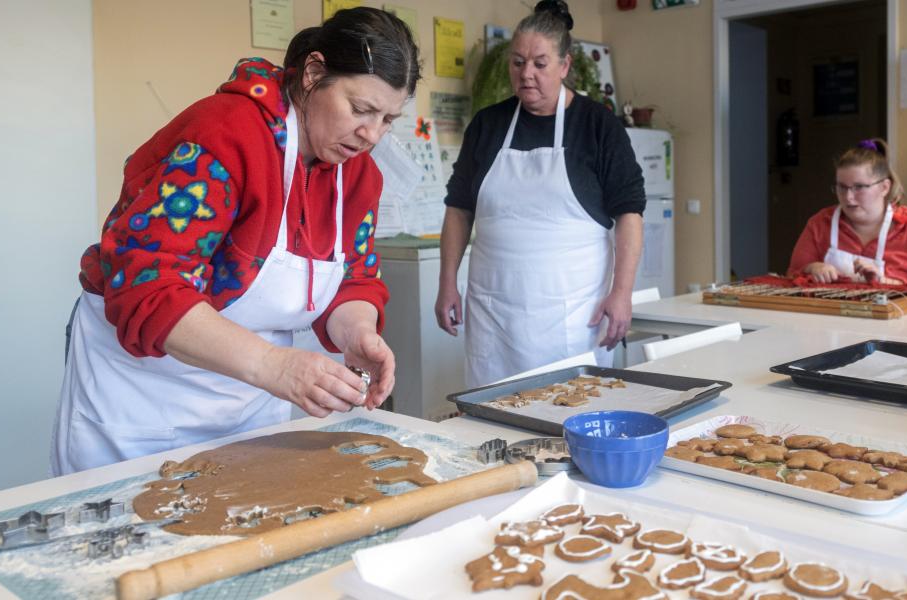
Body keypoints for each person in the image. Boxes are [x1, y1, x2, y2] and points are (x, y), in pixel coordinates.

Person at [51, 8, 420, 475]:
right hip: (145, 398)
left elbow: (355, 278)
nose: (372, 134)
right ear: (313, 73)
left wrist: (358, 332)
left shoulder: (358, 175)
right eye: (361, 109)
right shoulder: (224, 137)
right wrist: (274, 366)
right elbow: (149, 288)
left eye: (388, 118)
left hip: (249, 401)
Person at [434, 0, 646, 387]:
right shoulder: (488, 124)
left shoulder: (597, 125)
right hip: (494, 312)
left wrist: (622, 292)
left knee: (569, 415)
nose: (526, 74)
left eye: (539, 63)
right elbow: (460, 208)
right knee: (492, 415)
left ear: (565, 66)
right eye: (517, 62)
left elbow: (629, 214)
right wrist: (448, 281)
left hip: (572, 312)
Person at [787, 138, 907, 288]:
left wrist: (883, 281)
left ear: (885, 187)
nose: (848, 197)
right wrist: (811, 269)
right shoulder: (820, 224)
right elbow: (790, 280)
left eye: (859, 187)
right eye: (842, 187)